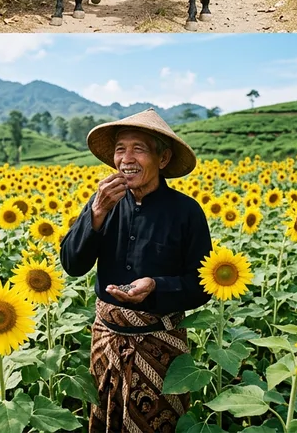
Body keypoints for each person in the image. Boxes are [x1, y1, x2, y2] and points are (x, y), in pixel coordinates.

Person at [60, 109, 212, 433]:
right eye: (120, 149)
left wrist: (157, 287)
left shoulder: (187, 213)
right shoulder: (103, 202)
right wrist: (96, 214)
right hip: (106, 343)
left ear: (164, 157)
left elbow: (203, 285)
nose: (126, 158)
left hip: (161, 348)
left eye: (138, 148)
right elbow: (72, 264)